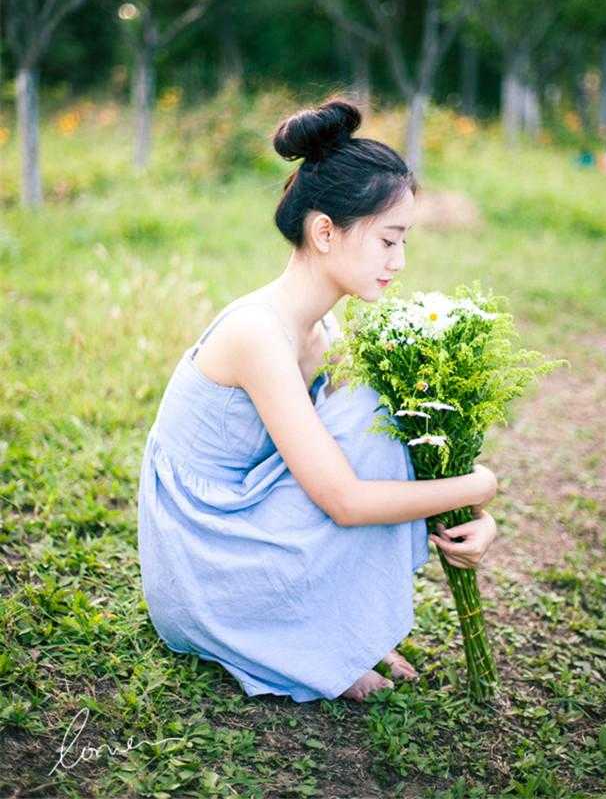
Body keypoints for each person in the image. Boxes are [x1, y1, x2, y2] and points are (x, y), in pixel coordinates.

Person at [137, 97, 498, 704]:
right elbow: (345, 500)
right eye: (388, 240)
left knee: (379, 414)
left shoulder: (321, 334)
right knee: (372, 416)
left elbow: (385, 458)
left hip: (249, 523)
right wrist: (476, 488)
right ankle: (313, 638)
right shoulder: (258, 332)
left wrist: (474, 521)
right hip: (205, 571)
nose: (399, 262)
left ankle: (331, 622)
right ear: (325, 231)